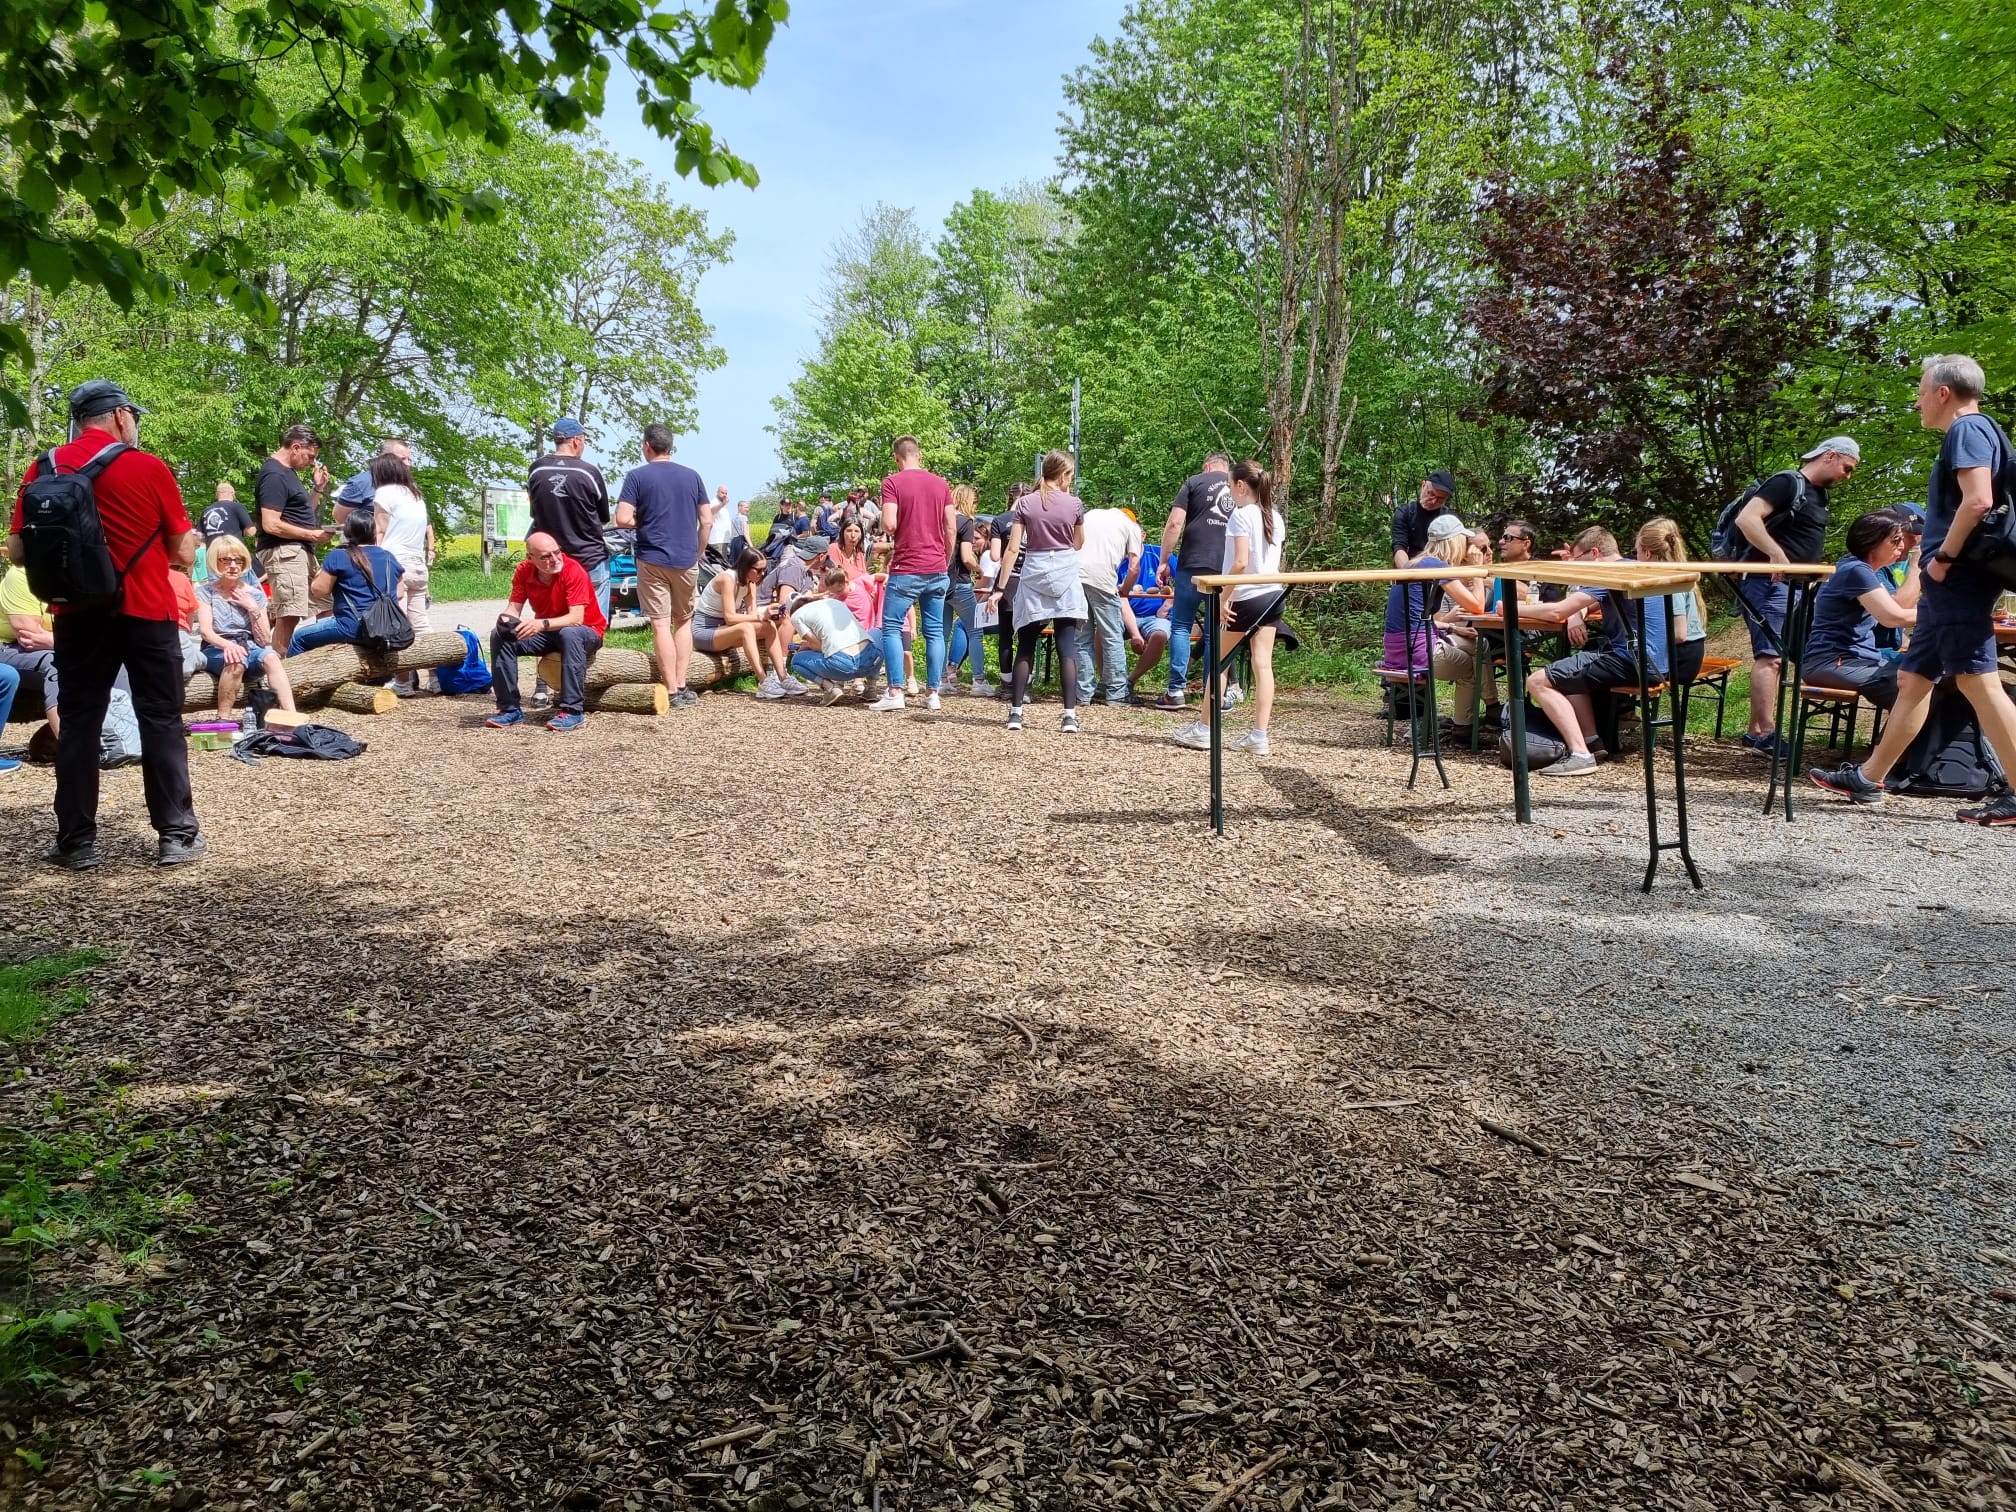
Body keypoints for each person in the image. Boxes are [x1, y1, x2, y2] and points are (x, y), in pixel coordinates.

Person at [1812, 355, 2016, 823]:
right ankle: (1868, 778)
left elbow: (1979, 499)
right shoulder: (1986, 432)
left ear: (1943, 392)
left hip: (1958, 578)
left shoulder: (1967, 429)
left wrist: (1942, 558)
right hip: (1955, 582)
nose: (1919, 400)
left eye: (1922, 391)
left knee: (1978, 681)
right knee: (1913, 679)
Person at [8, 379, 204, 867]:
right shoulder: (148, 466)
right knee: (159, 720)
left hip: (75, 614)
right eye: (133, 416)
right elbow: (182, 551)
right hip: (146, 611)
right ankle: (175, 836)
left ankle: (76, 842)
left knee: (78, 725)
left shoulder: (43, 468)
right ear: (119, 416)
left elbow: (15, 550)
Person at [1729, 435, 1861, 757]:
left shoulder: (1820, 496)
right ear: (1830, 456)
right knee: (1770, 657)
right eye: (1847, 467)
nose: (1848, 476)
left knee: (1778, 655)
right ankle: (1765, 734)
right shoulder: (1788, 482)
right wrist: (1776, 555)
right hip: (1769, 584)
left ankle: (1753, 731)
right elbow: (1746, 518)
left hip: (1794, 588)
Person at [1517, 527, 1670, 777]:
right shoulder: (1635, 567)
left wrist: (1512, 609)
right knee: (1573, 668)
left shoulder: (1608, 573)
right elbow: (1583, 604)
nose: (1577, 567)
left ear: (1595, 552)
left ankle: (1580, 755)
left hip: (1630, 661)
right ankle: (1592, 742)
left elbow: (1557, 612)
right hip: (1658, 664)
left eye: (1578, 560)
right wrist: (1578, 614)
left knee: (1537, 681)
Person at [1172, 461, 1286, 754]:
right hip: (1272, 595)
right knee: (1262, 664)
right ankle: (1259, 735)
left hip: (1245, 596)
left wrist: (1223, 598)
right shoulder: (1274, 515)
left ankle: (1204, 729)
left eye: (1229, 486)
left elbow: (1239, 562)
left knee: (1219, 662)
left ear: (1239, 485)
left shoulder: (1241, 515)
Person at [615, 423, 711, 707]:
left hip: (652, 557)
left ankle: (670, 690)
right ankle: (683, 684)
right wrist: (699, 550)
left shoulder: (636, 477)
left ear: (647, 446)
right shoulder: (692, 476)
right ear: (670, 447)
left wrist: (643, 521)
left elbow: (621, 518)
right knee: (684, 621)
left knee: (660, 623)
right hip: (685, 559)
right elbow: (706, 520)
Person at [992, 451, 1088, 733]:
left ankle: (1016, 712)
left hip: (1033, 572)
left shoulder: (1025, 503)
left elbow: (1012, 549)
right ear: (1063, 475)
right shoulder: (1074, 504)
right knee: (1066, 645)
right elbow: (1079, 543)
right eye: (1070, 475)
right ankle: (1069, 715)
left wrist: (1000, 587)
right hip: (1065, 573)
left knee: (1026, 643)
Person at [486, 532, 607, 730]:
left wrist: (541, 624)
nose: (554, 559)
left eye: (557, 552)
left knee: (569, 633)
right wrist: (505, 622)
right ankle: (509, 710)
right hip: (550, 631)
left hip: (587, 630)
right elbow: (513, 608)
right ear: (530, 558)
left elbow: (576, 618)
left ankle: (573, 711)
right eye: (545, 556)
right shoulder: (524, 571)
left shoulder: (573, 570)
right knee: (499, 636)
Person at [873, 436, 956, 713]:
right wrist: (944, 559)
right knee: (935, 631)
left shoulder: (892, 483)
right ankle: (933, 693)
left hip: (906, 568)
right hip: (936, 567)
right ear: (919, 455)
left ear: (897, 458)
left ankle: (895, 690)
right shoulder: (941, 484)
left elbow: (889, 522)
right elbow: (951, 527)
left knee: (892, 627)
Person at [1156, 453, 1232, 710]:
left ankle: (1175, 691)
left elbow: (1175, 522)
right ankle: (1214, 694)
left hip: (1192, 563)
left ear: (1207, 466)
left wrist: (1164, 560)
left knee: (1180, 626)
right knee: (1213, 633)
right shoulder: (1239, 486)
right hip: (1224, 567)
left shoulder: (1194, 482)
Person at [194, 537, 297, 723]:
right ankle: (223, 719)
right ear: (215, 562)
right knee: (236, 660)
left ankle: (292, 717)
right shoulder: (205, 592)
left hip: (250, 645)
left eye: (238, 560)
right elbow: (206, 632)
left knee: (272, 657)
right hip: (217, 647)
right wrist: (228, 646)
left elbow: (264, 639)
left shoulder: (255, 594)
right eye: (226, 560)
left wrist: (253, 609)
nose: (233, 565)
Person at [254, 423, 334, 657]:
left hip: (301, 552)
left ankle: (321, 659)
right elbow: (270, 523)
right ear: (296, 447)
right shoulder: (274, 475)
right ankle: (277, 670)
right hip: (285, 551)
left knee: (325, 601)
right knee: (288, 613)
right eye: (310, 456)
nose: (311, 462)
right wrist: (312, 535)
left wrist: (317, 489)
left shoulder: (288, 474)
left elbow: (301, 513)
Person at [528, 418, 614, 621]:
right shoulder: (589, 472)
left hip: (552, 562)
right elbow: (603, 518)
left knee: (556, 623)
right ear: (576, 440)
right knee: (593, 626)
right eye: (583, 440)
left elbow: (535, 512)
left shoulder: (536, 470)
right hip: (589, 558)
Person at [288, 510, 405, 655]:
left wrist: (319, 575)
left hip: (352, 627)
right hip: (387, 626)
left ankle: (296, 677)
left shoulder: (338, 555)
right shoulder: (389, 557)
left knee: (297, 638)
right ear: (373, 532)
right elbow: (399, 593)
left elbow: (319, 591)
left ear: (347, 532)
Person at [367, 452, 435, 693]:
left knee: (397, 624)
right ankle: (435, 678)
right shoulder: (415, 494)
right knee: (421, 624)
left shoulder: (384, 493)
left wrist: (370, 559)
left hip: (395, 564)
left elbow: (380, 531)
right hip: (417, 565)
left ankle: (404, 681)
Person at [693, 547, 796, 699]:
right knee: (746, 628)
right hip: (705, 631)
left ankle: (783, 676)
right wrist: (762, 615)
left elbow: (753, 614)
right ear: (746, 567)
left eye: (764, 570)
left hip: (724, 629)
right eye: (759, 571)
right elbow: (731, 617)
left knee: (769, 626)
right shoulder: (727, 579)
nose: (762, 575)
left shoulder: (750, 583)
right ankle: (763, 681)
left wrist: (769, 616)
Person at [1077, 503, 1144, 707]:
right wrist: (1124, 589)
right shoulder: (1131, 526)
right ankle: (1116, 692)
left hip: (1074, 575)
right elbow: (1134, 567)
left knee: (1080, 638)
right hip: (1103, 580)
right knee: (1112, 636)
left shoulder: (1092, 514)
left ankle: (1082, 693)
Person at [1634, 516, 1710, 688]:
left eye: (1636, 552)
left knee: (1610, 668)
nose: (1635, 557)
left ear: (1646, 553)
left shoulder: (1670, 581)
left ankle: (1622, 713)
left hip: (1682, 660)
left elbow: (1679, 634)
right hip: (1687, 653)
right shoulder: (1676, 571)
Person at [790, 567, 886, 703]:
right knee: (878, 632)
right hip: (867, 661)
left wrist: (806, 646)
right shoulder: (834, 602)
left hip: (842, 667)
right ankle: (871, 686)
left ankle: (830, 688)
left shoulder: (796, 616)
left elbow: (818, 646)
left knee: (797, 660)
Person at [0, 560, 59, 741]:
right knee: (58, 663)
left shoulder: (87, 577)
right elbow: (30, 637)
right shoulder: (22, 574)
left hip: (55, 645)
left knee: (117, 662)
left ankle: (128, 739)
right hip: (7, 646)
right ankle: (72, 747)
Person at [948, 484, 989, 694]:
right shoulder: (965, 521)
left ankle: (939, 681)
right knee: (975, 630)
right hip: (959, 582)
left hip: (938, 581)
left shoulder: (941, 518)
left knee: (941, 632)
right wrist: (979, 570)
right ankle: (979, 681)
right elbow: (966, 557)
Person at [1122, 540, 1173, 699]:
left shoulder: (1159, 554)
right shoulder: (1116, 559)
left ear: (1142, 535)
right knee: (1101, 632)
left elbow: (1187, 581)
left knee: (1160, 635)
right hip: (1127, 615)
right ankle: (1109, 682)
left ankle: (1130, 681)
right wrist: (1135, 634)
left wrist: (1165, 607)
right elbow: (1120, 599)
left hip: (1155, 617)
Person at [1875, 504, 1924, 658]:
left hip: (1883, 650)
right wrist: (1917, 565)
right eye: (1907, 537)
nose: (1909, 545)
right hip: (1859, 657)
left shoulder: (1884, 567)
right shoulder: (1865, 568)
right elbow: (1898, 611)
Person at [332, 438, 414, 527]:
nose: (407, 464)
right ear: (384, 458)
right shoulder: (360, 483)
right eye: (402, 459)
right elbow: (340, 518)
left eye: (409, 459)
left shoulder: (410, 486)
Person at [1390, 470, 1457, 570]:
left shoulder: (1449, 518)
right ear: (1423, 485)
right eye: (1430, 493)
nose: (1433, 501)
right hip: (1409, 571)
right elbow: (1399, 547)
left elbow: (1455, 552)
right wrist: (1409, 574)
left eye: (1440, 499)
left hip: (1441, 574)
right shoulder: (1405, 513)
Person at [707, 484, 736, 557]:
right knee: (719, 564)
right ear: (717, 492)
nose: (724, 495)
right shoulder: (714, 502)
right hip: (717, 540)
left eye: (726, 493)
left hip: (723, 540)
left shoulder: (722, 505)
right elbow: (710, 512)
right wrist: (722, 504)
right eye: (722, 493)